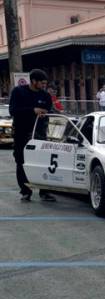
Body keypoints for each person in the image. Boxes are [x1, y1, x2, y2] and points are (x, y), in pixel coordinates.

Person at [8, 69, 56, 202]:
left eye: (45, 83)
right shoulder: (18, 92)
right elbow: (13, 111)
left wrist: (46, 113)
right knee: (21, 161)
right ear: (33, 81)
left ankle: (45, 191)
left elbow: (50, 110)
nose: (44, 86)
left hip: (39, 134)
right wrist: (32, 111)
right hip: (21, 133)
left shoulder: (45, 95)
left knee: (43, 161)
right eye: (42, 83)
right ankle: (25, 191)